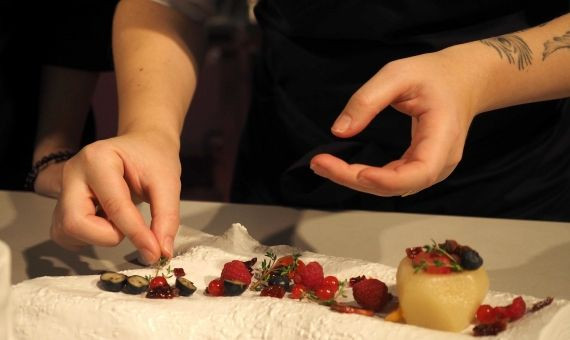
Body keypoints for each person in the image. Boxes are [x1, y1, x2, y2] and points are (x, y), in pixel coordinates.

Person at [50, 0, 570, 265]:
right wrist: (150, 131)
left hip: (513, 179)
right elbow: (172, 4)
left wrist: (477, 76)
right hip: (289, 162)